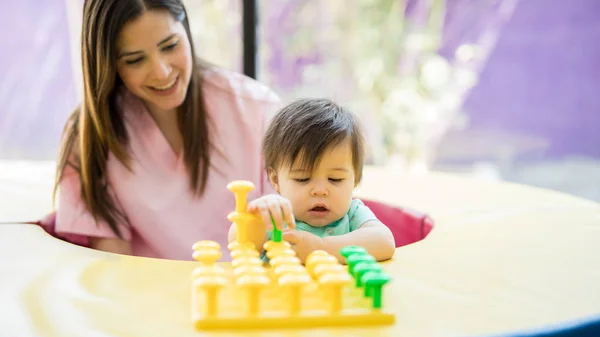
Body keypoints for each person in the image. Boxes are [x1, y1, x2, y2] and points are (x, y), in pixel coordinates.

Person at [51, 0, 280, 261]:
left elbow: (293, 233)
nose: (161, 72)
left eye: (170, 45)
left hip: (249, 289)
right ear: (108, 64)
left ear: (186, 29)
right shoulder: (92, 137)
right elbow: (112, 270)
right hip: (147, 295)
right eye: (135, 60)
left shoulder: (256, 108)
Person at [228, 98, 396, 263]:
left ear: (355, 180)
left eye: (335, 179)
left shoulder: (352, 213)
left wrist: (321, 247)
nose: (320, 190)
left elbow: (385, 242)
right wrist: (256, 221)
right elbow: (239, 244)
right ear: (275, 179)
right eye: (303, 179)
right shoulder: (275, 216)